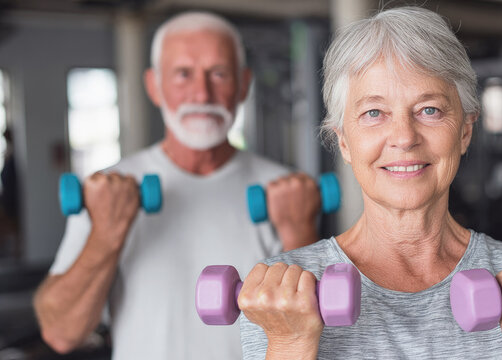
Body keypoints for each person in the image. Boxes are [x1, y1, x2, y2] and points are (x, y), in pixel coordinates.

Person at [238, 7, 502, 359]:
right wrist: (290, 344)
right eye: (374, 113)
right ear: (343, 142)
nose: (403, 137)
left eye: (429, 110)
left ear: (464, 131)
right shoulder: (276, 295)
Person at [33, 11, 322, 360]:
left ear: (244, 84)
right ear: (154, 86)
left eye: (219, 74)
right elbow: (61, 333)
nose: (202, 93)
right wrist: (105, 234)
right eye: (183, 74)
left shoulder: (284, 193)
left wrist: (300, 231)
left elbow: (325, 331)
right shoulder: (107, 193)